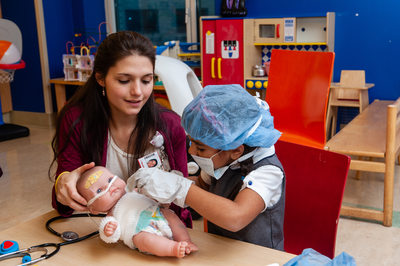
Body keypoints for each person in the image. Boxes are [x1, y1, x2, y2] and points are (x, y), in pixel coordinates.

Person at [49, 31, 191, 228]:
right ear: (100, 78)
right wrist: (62, 185)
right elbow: (64, 205)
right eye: (124, 81)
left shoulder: (170, 126)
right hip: (105, 231)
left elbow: (180, 201)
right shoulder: (77, 121)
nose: (138, 92)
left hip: (161, 232)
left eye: (146, 80)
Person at [132, 84, 285, 250]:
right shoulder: (221, 160)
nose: (191, 151)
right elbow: (202, 186)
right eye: (191, 143)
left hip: (260, 258)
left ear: (235, 151)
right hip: (221, 250)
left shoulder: (267, 171)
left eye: (200, 148)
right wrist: (165, 186)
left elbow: (236, 217)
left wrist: (179, 188)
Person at [77, 166, 197, 258]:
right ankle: (173, 248)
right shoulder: (111, 215)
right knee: (143, 241)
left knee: (171, 215)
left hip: (159, 215)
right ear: (93, 209)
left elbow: (152, 197)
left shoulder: (133, 191)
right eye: (99, 190)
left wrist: (157, 198)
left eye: (109, 179)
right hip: (140, 231)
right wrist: (109, 231)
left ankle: (186, 241)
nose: (110, 187)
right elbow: (110, 236)